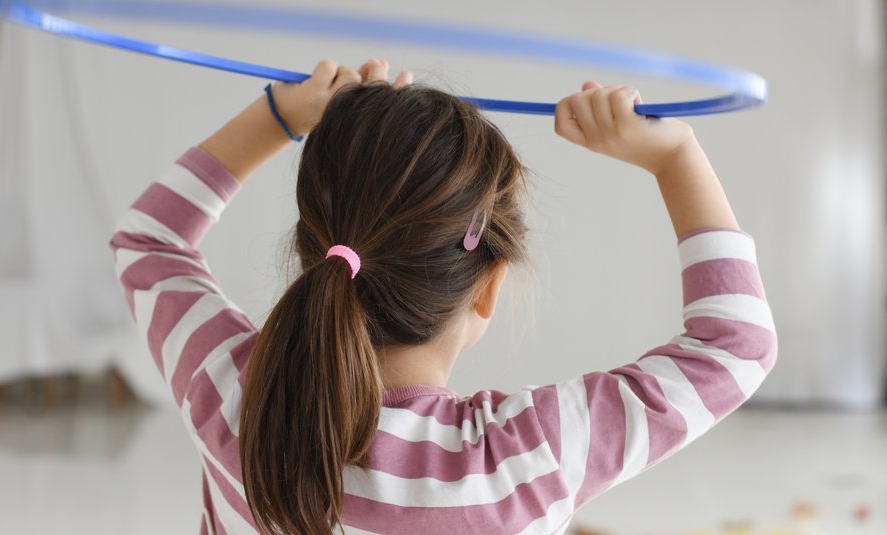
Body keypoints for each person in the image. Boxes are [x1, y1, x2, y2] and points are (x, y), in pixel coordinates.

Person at [110, 57, 777, 534]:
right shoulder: (527, 458)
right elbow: (736, 347)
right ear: (489, 287)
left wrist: (278, 115)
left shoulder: (230, 390)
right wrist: (676, 156)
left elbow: (149, 241)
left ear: (317, 247)